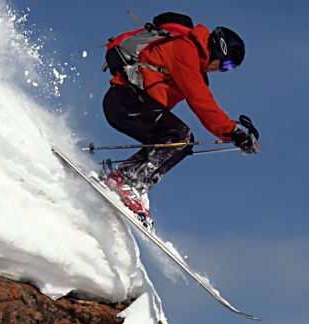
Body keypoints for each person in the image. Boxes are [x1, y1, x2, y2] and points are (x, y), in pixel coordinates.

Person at [100, 12, 259, 225]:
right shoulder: (185, 51)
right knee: (179, 136)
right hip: (123, 100)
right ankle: (127, 180)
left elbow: (201, 97)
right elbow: (200, 100)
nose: (222, 70)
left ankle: (133, 182)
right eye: (226, 65)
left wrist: (232, 132)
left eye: (228, 69)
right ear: (219, 50)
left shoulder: (194, 64)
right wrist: (231, 131)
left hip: (133, 104)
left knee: (183, 143)